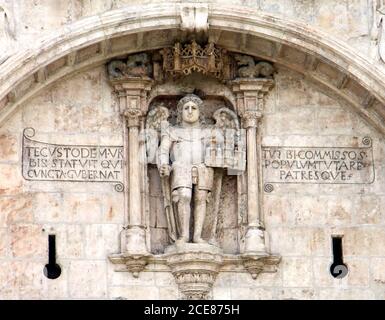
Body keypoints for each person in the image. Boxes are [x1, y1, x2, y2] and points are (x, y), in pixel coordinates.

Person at [157, 94, 213, 244]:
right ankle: (184, 235)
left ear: (199, 112)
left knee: (201, 198)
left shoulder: (208, 131)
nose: (189, 111)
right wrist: (164, 164)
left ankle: (197, 236)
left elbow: (215, 149)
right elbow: (163, 150)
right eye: (186, 108)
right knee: (184, 195)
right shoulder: (172, 131)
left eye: (193, 108)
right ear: (180, 112)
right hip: (180, 167)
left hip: (203, 168)